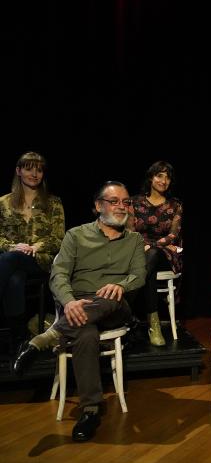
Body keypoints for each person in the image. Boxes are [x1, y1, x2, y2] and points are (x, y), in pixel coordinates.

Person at [14, 181, 146, 442]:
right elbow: (58, 273)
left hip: (115, 306)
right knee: (86, 334)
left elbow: (139, 275)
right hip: (79, 308)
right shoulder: (76, 235)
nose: (122, 207)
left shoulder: (134, 240)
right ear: (98, 206)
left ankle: (44, 339)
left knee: (110, 297)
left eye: (126, 202)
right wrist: (69, 302)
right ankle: (91, 410)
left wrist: (120, 285)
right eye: (114, 201)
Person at [0, 151, 64, 340]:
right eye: (29, 169)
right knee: (14, 280)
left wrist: (37, 247)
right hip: (12, 260)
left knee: (9, 259)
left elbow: (59, 238)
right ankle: (19, 339)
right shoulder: (3, 203)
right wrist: (13, 246)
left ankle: (18, 340)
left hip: (41, 261)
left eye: (39, 170)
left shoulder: (53, 203)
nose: (34, 174)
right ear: (18, 171)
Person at [131, 161, 183, 346]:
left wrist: (150, 245)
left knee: (152, 255)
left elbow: (173, 235)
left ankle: (126, 301)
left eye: (167, 177)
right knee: (149, 267)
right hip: (137, 251)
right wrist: (142, 245)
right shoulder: (135, 202)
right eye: (159, 175)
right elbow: (130, 232)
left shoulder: (175, 205)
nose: (164, 180)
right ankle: (154, 324)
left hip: (165, 254)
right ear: (151, 178)